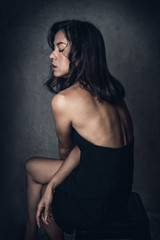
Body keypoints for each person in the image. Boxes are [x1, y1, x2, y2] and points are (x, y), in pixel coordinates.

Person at [24, 19, 134, 240]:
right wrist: (52, 184)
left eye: (60, 49)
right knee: (43, 179)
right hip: (120, 196)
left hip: (94, 205)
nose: (51, 55)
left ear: (81, 55)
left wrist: (51, 187)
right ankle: (30, 231)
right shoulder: (113, 92)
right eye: (53, 48)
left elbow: (66, 153)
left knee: (32, 170)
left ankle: (30, 231)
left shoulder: (64, 100)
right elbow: (87, 149)